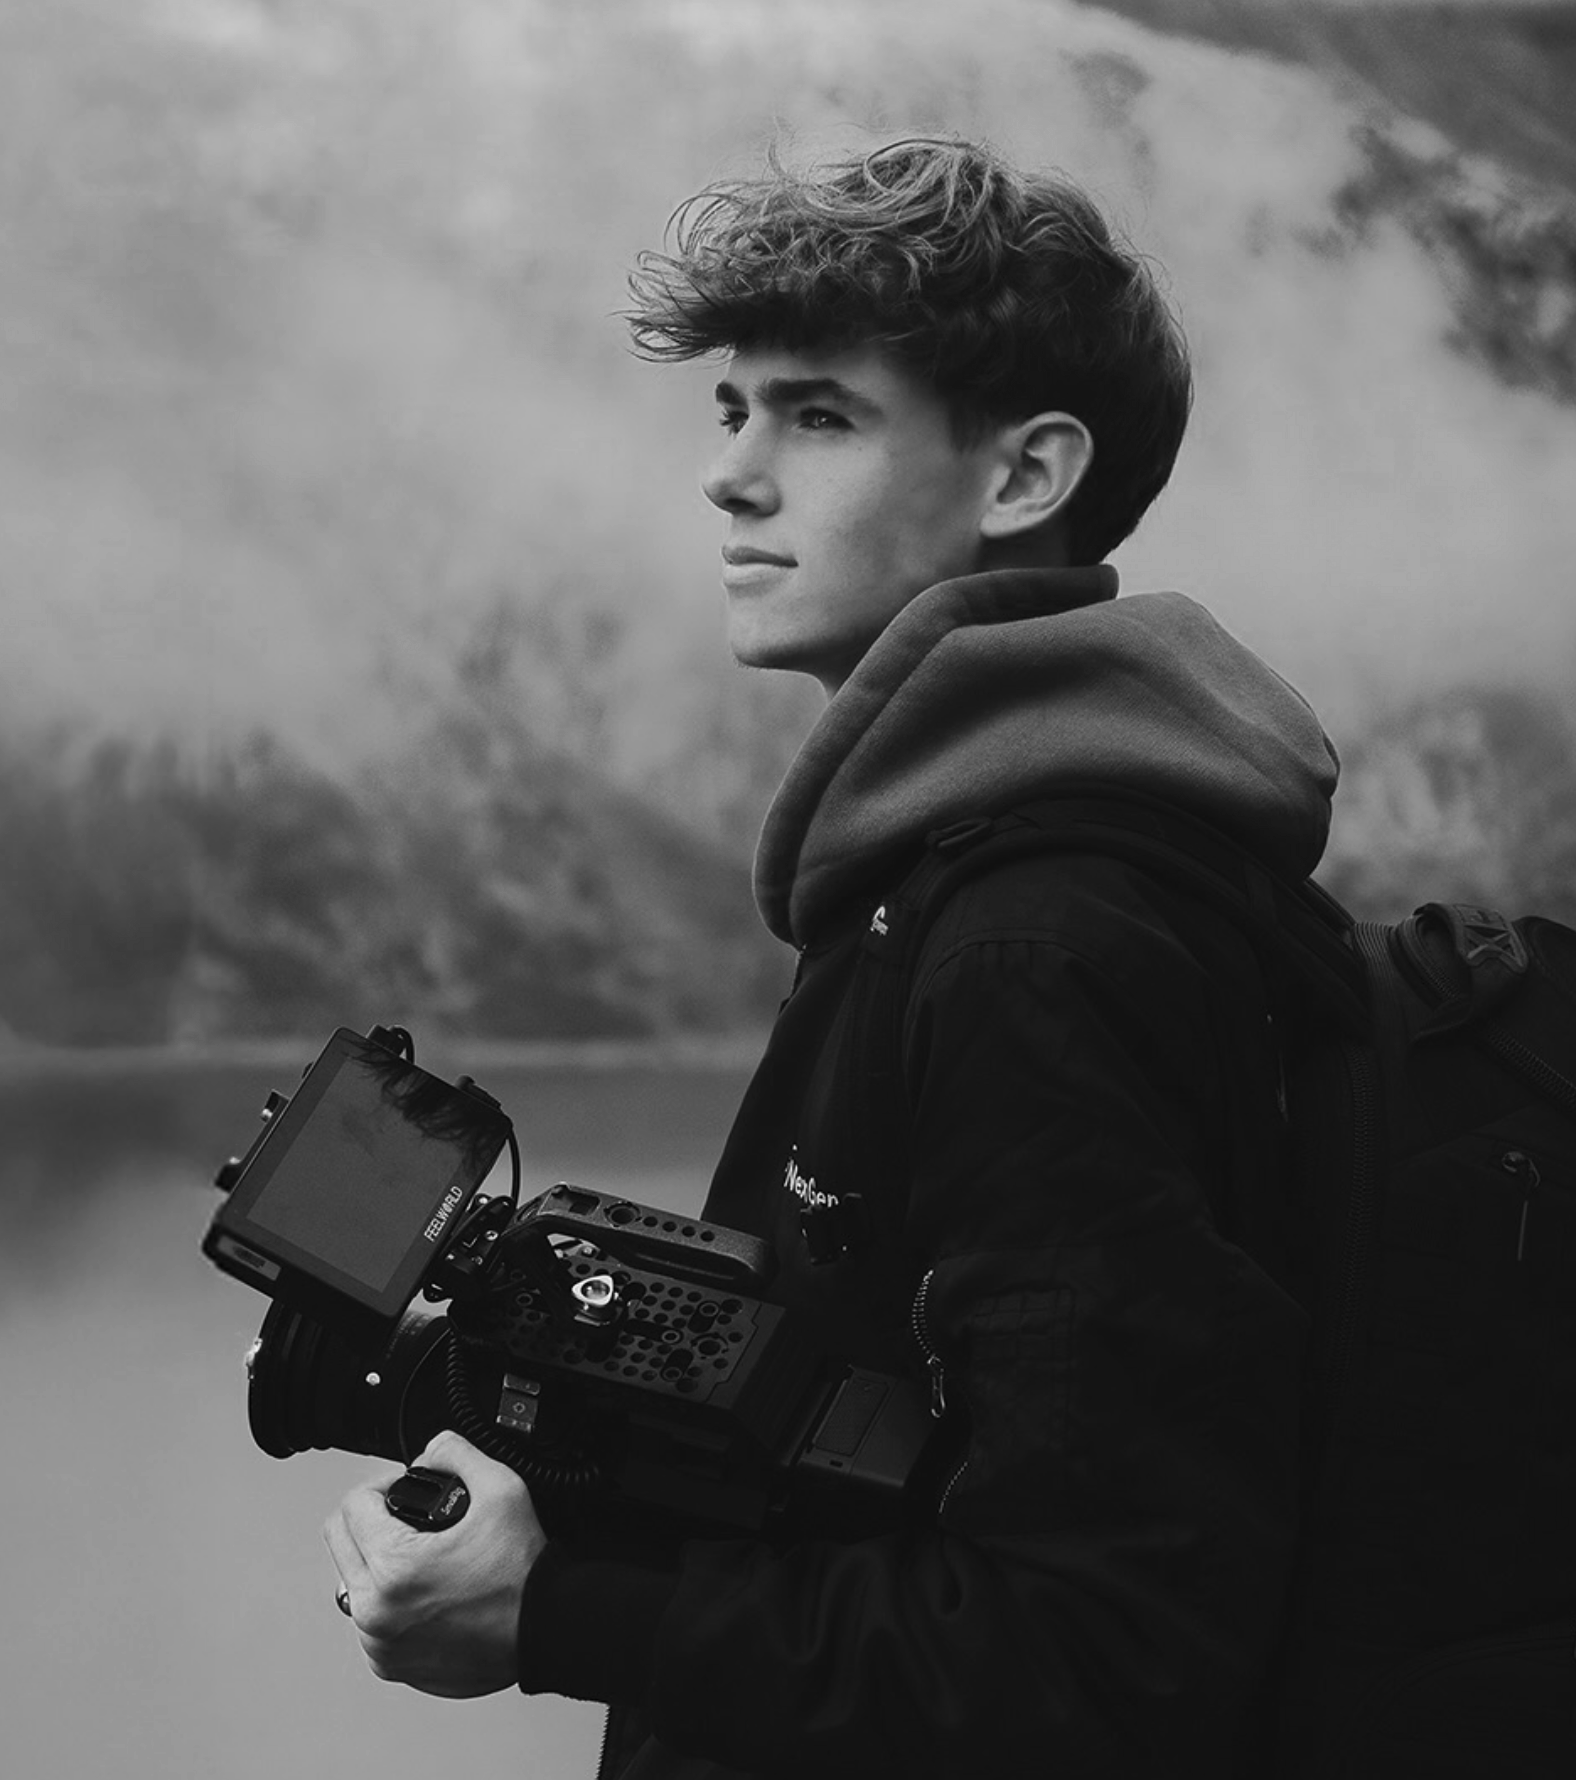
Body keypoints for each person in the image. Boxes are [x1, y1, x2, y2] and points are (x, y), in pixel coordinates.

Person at [323, 137, 1338, 1777]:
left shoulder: (1036, 945)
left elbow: (1105, 1647)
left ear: (1024, 478)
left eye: (817, 415)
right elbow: (874, 1473)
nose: (731, 474)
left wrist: (556, 1620)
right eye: (732, 412)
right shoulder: (936, 884)